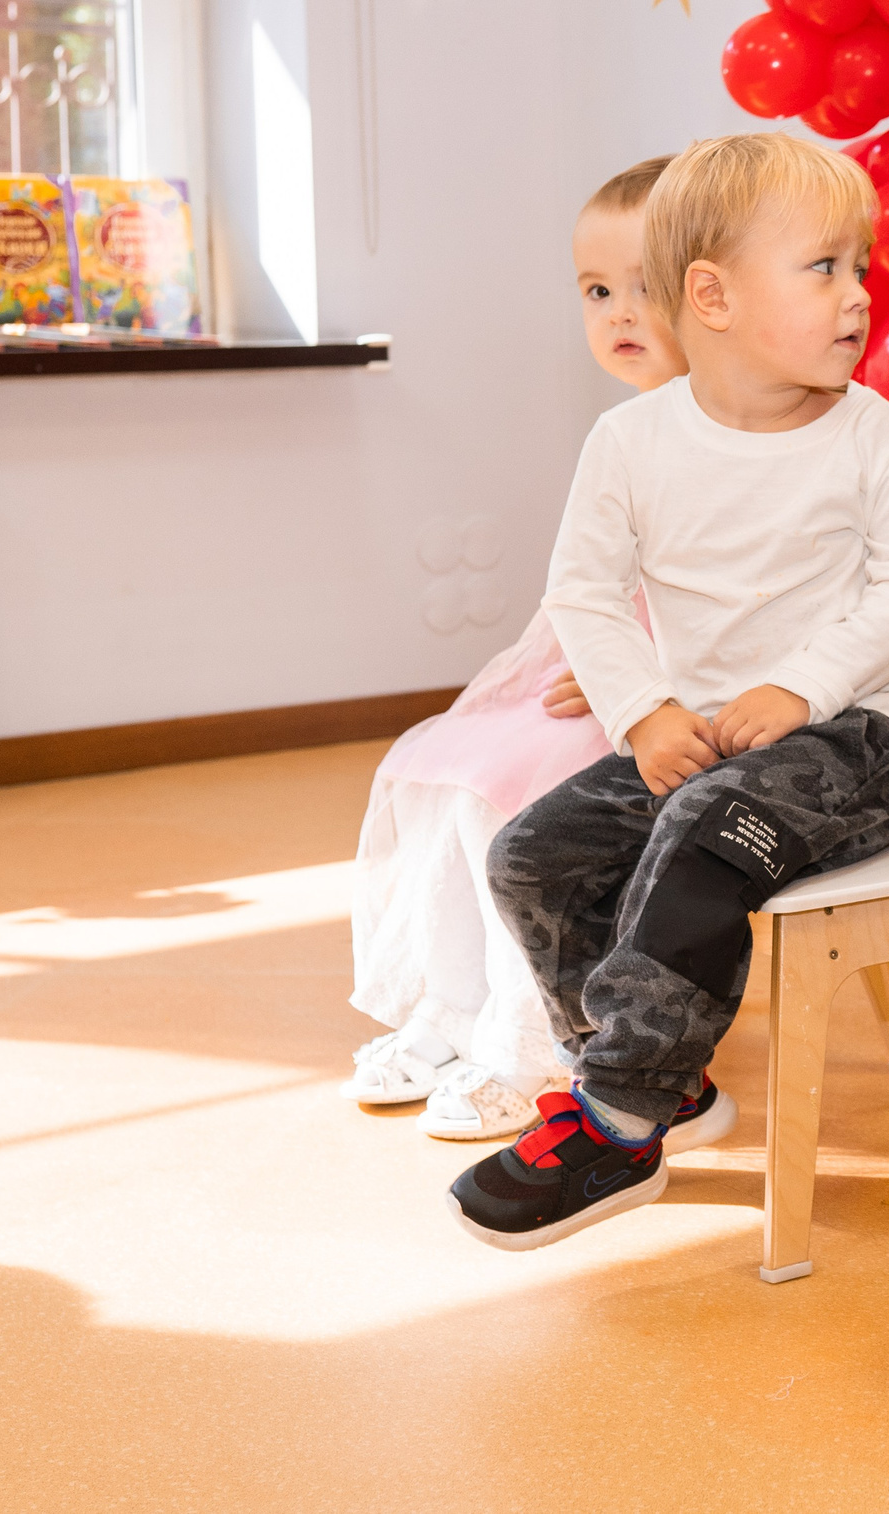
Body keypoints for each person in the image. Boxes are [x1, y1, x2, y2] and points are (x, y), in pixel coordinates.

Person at [448, 132, 889, 1252]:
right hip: (704, 738)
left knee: (703, 824)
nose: (858, 296)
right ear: (713, 296)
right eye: (824, 268)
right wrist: (645, 712)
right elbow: (582, 592)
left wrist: (803, 686)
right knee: (534, 854)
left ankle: (617, 1119)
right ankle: (653, 1077)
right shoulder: (629, 439)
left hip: (860, 736)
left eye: (860, 268)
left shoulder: (871, 432)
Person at [348, 156, 740, 1146]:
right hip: (600, 676)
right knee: (442, 763)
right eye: (597, 291)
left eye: (643, 286)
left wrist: (638, 677)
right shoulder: (623, 428)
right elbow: (590, 582)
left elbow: (748, 601)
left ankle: (534, 1045)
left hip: (691, 704)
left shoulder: (742, 432)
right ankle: (451, 1009)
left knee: (516, 791)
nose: (618, 312)